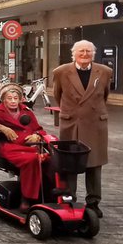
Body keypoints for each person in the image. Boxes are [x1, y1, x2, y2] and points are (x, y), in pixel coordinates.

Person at [50, 40, 112, 217]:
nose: (84, 54)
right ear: (73, 54)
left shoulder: (105, 72)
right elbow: (57, 95)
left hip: (95, 123)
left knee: (94, 164)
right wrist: (73, 111)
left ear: (93, 54)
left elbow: (105, 95)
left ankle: (93, 202)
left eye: (88, 51)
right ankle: (70, 198)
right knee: (70, 161)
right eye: (81, 51)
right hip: (72, 123)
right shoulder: (61, 72)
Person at [0, 83, 49, 211]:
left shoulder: (26, 111)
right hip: (8, 146)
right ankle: (27, 198)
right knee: (31, 160)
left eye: (15, 98)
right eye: (9, 98)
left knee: (49, 160)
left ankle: (47, 194)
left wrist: (37, 136)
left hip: (28, 145)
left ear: (20, 99)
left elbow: (40, 130)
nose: (13, 101)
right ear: (3, 99)